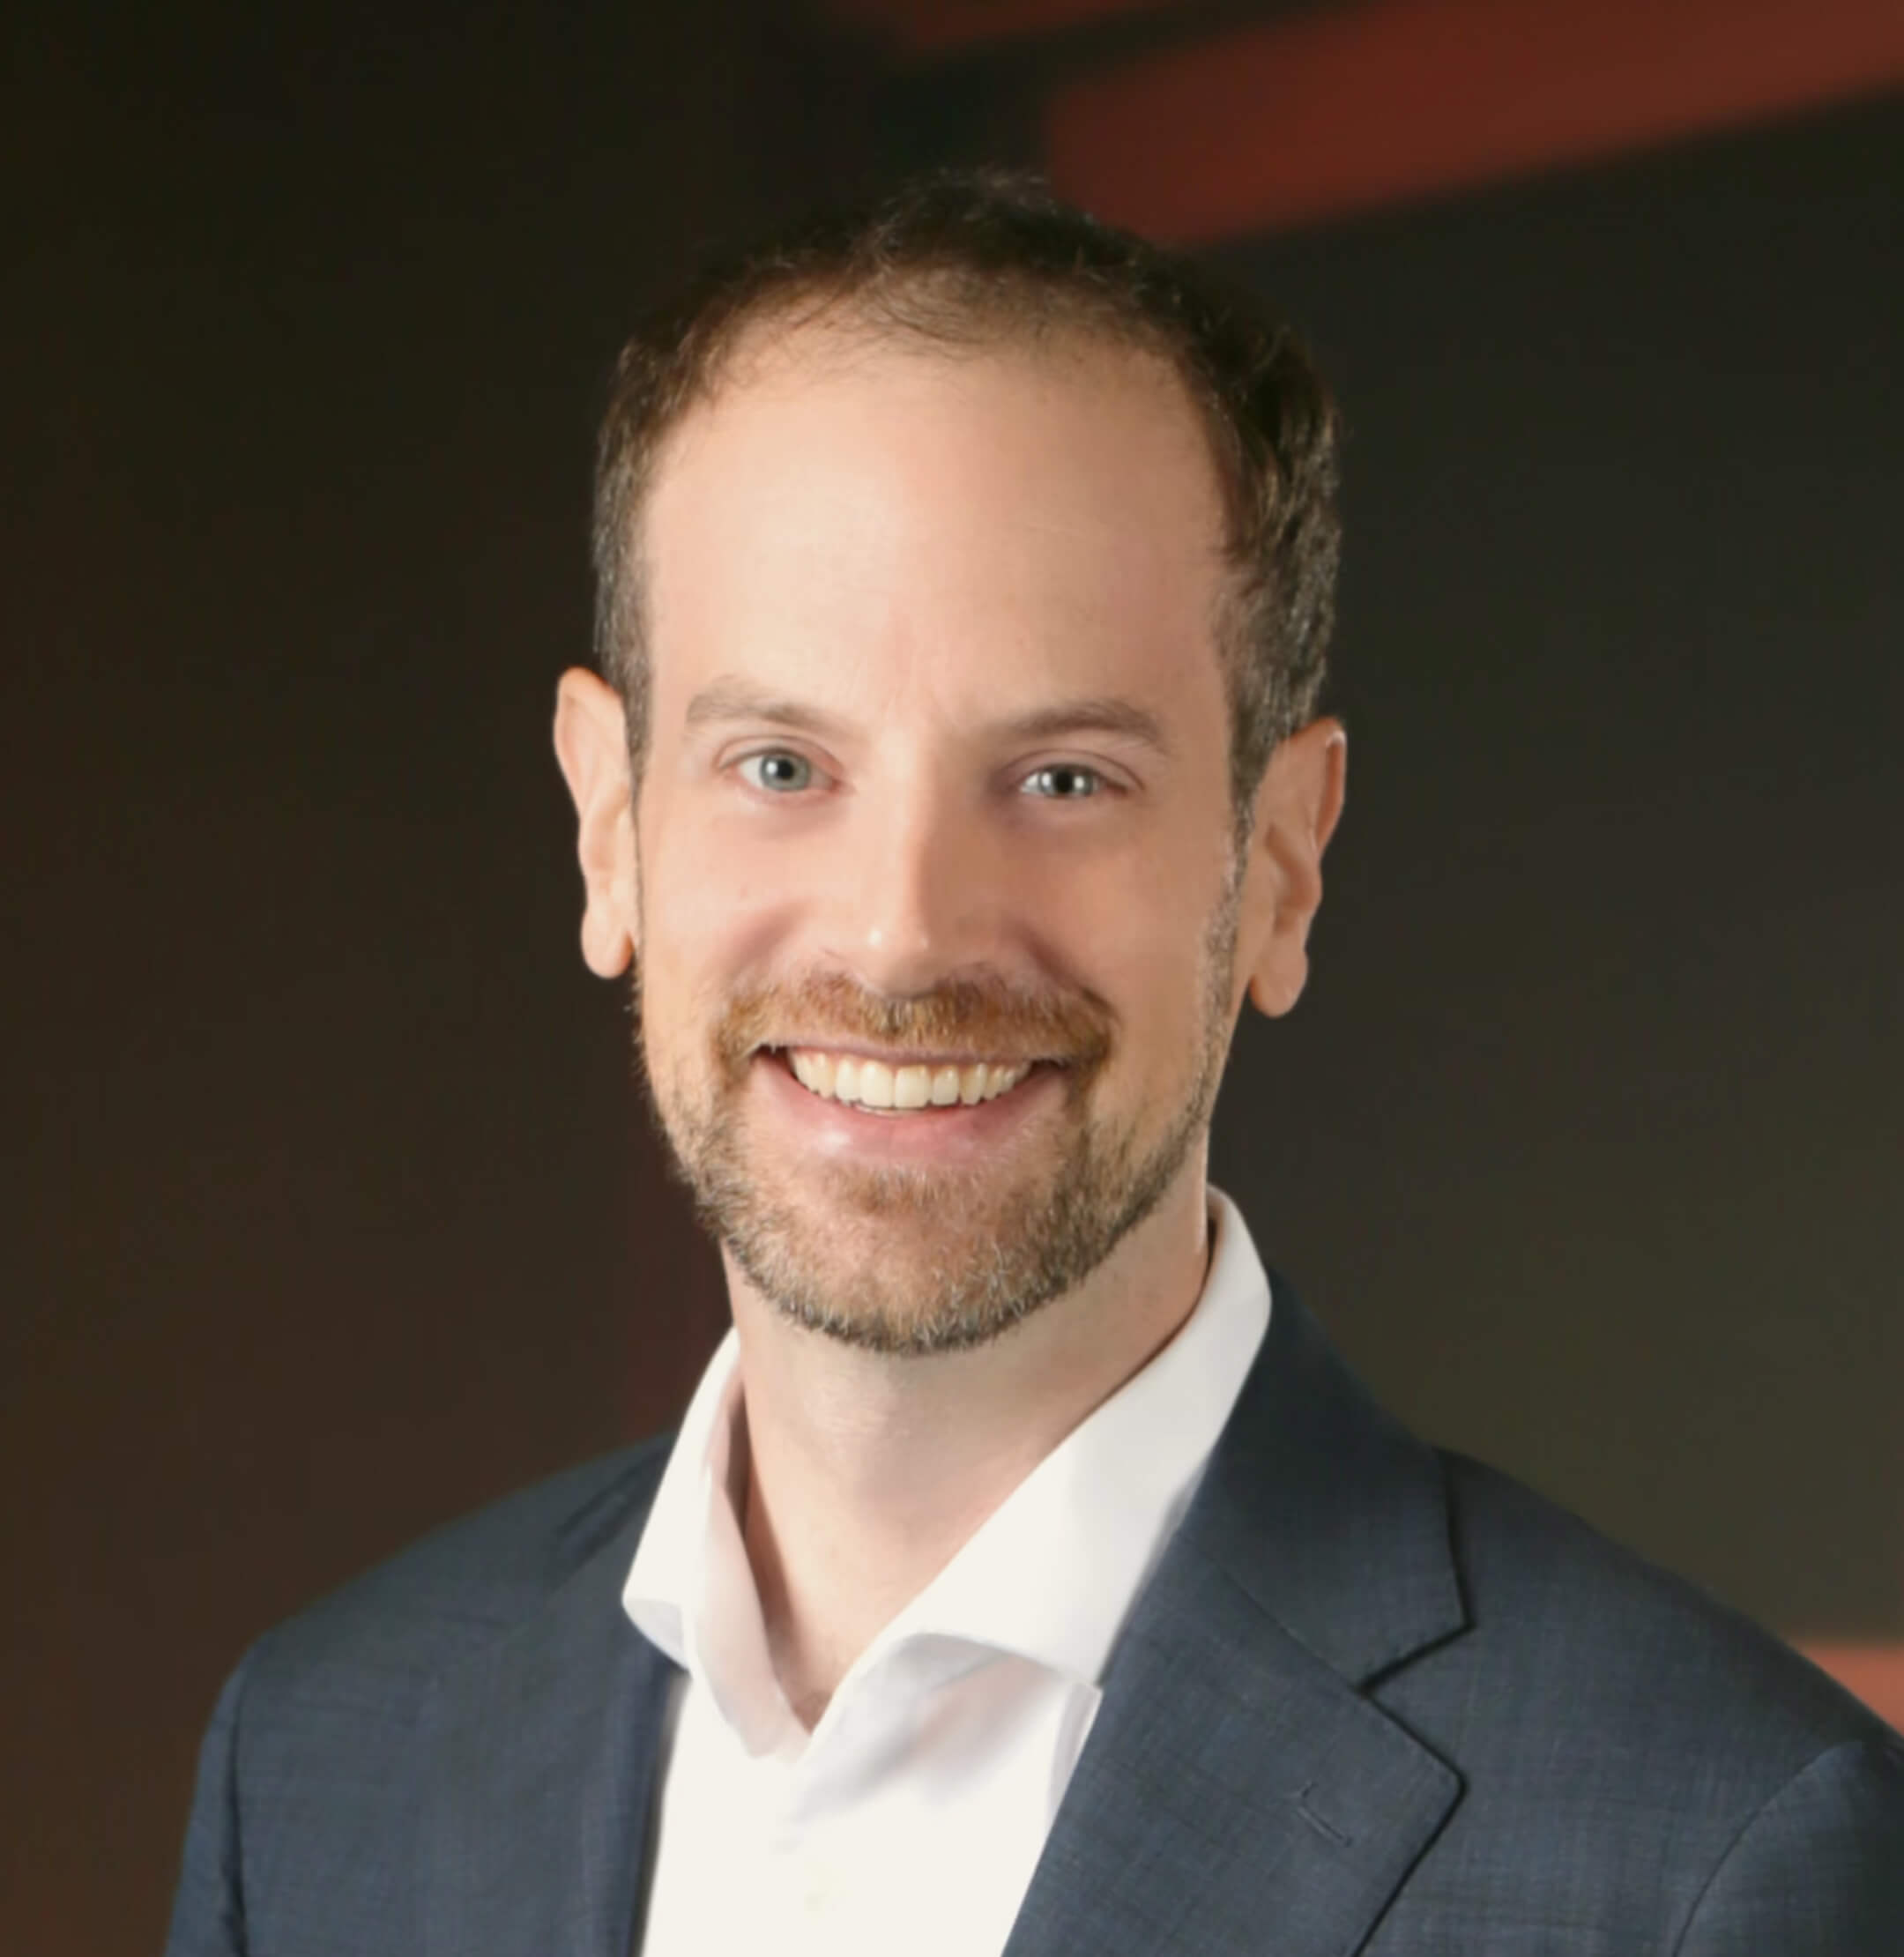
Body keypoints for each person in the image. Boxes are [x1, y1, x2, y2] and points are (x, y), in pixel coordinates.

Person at [166, 172, 1902, 1957]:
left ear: (1281, 867)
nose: (904, 936)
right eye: (781, 766)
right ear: (610, 825)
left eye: (1065, 779)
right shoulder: (314, 1769)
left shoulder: (1718, 1870)